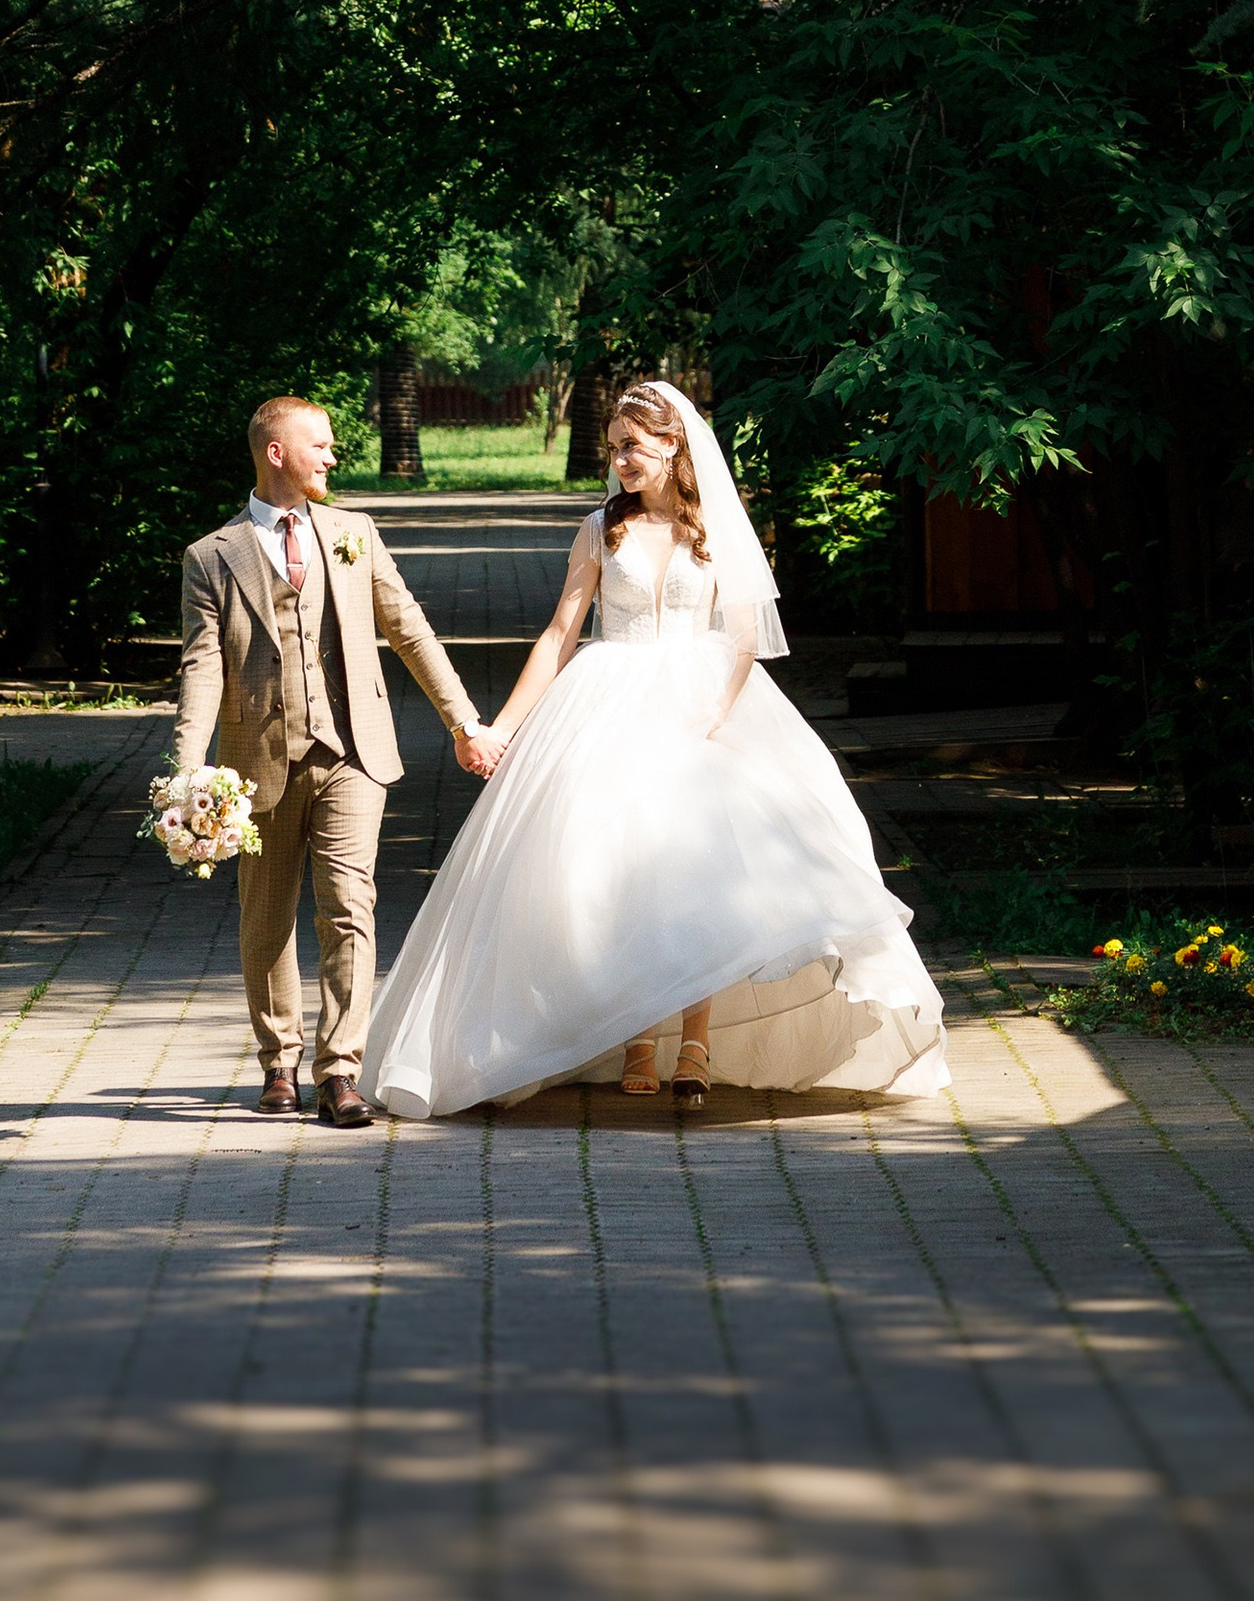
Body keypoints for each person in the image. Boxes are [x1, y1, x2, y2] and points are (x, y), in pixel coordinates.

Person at [360, 378, 948, 1118]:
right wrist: (501, 727)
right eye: (612, 450)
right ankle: (639, 1033)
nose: (619, 463)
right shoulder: (600, 528)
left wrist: (715, 710)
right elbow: (558, 634)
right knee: (617, 868)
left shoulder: (720, 530)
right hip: (607, 699)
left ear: (673, 444)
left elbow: (741, 636)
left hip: (703, 704)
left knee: (700, 869)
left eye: (629, 447)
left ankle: (695, 1041)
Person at [171, 394, 494, 1125]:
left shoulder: (354, 533)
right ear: (275, 451)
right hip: (259, 759)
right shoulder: (210, 557)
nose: (332, 454)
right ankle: (278, 1061)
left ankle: (339, 1070)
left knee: (350, 905)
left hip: (355, 751)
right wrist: (189, 769)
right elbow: (202, 668)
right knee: (267, 915)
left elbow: (409, 629)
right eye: (318, 443)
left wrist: (462, 722)